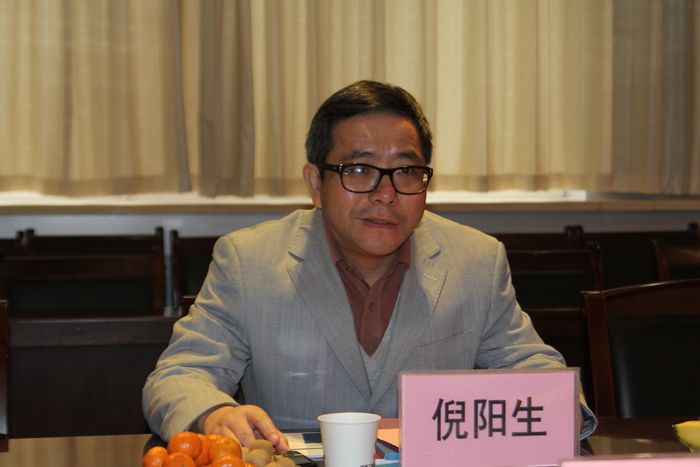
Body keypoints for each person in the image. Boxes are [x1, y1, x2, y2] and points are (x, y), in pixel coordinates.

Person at [143, 80, 596, 452]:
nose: (386, 194)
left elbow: (531, 364)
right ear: (315, 183)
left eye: (406, 171)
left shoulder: (476, 260)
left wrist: (561, 406)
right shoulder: (249, 260)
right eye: (358, 170)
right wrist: (214, 414)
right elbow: (180, 374)